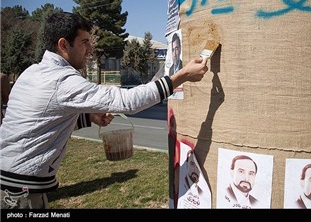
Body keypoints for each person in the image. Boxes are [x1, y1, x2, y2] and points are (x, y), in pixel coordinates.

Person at [0, 12, 209, 209]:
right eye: (84, 42)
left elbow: (41, 119)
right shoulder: (61, 80)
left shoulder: (32, 72)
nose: (90, 49)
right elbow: (127, 101)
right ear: (63, 44)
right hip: (19, 192)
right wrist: (180, 77)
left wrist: (89, 117)